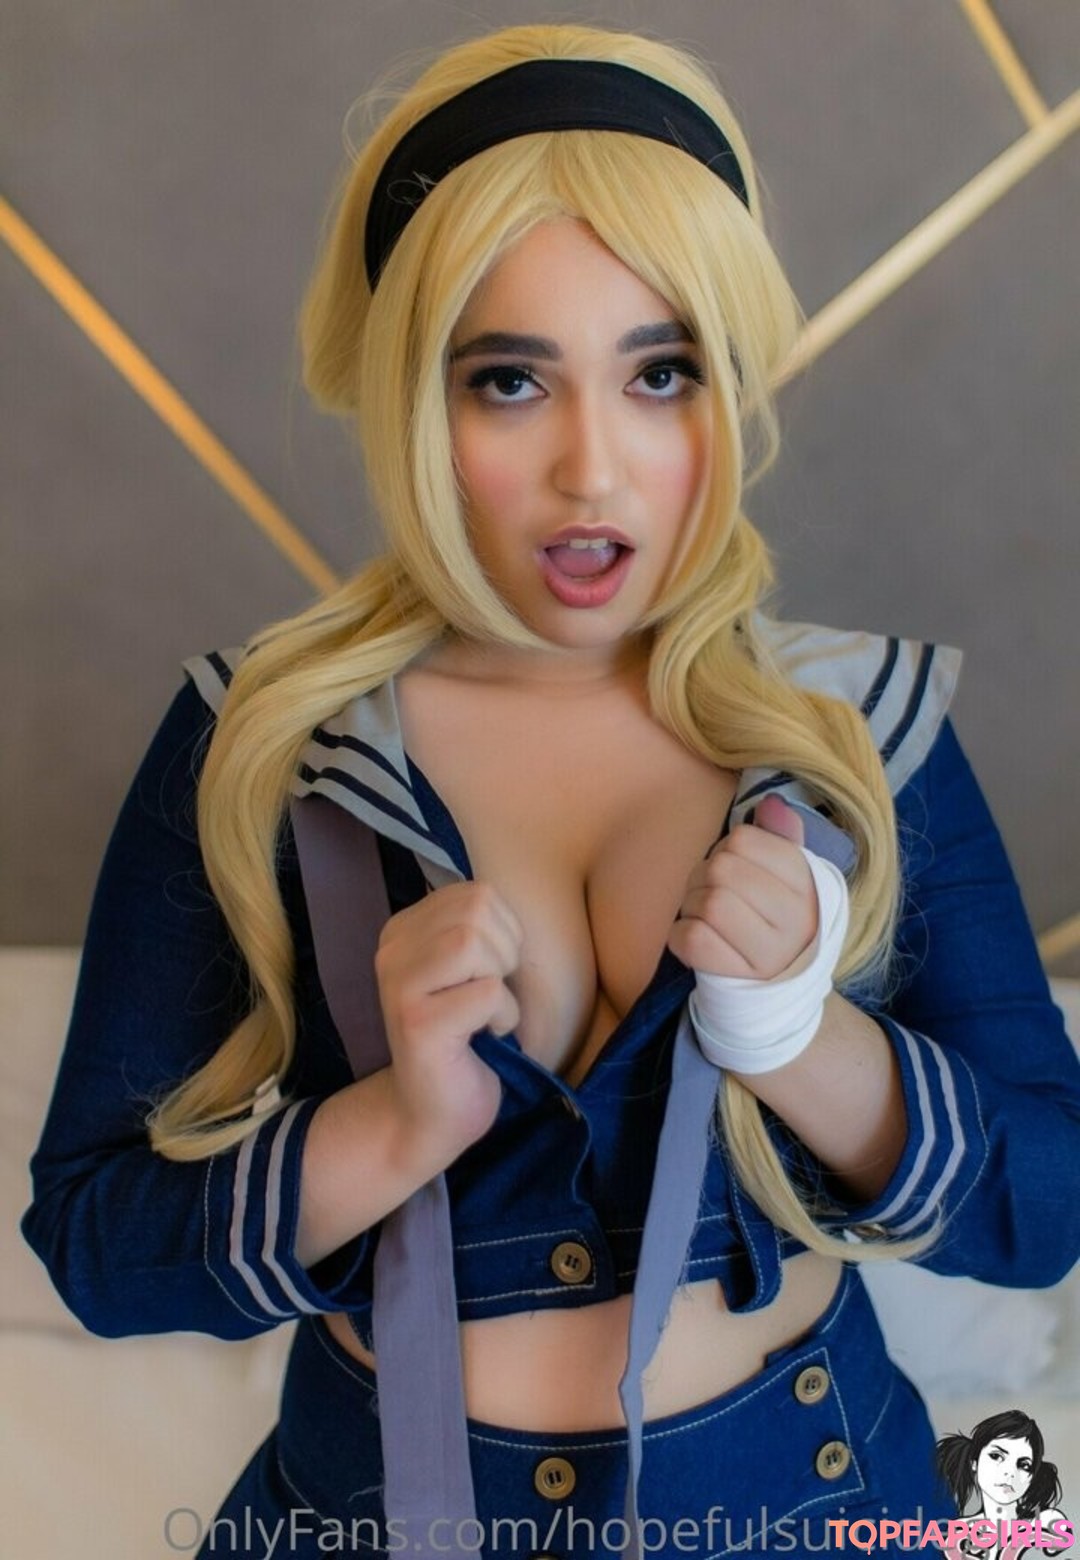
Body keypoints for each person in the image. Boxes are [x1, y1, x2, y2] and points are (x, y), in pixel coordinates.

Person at [22, 22, 1080, 1560]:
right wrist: (392, 1126)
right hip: (373, 1517)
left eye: (661, 373)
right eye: (510, 380)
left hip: (814, 1504)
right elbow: (96, 1243)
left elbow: (1048, 1207)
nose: (595, 469)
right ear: (413, 399)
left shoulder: (854, 727)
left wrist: (804, 1040)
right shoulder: (260, 736)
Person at [936, 1411, 1071, 1559]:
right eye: (996, 1456)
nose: (1010, 1472)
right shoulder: (959, 1532)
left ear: (1032, 1477)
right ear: (974, 1462)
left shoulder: (1045, 1522)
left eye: (1024, 1465)